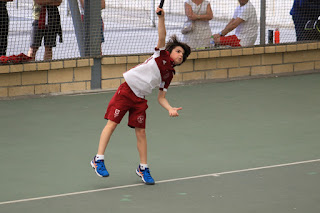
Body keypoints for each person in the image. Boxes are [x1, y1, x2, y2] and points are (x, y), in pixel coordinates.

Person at [90, 6, 191, 185]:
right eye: (178, 51)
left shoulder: (169, 75)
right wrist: (161, 18)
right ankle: (98, 159)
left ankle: (143, 168)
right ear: (170, 51)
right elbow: (161, 35)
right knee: (112, 125)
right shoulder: (160, 55)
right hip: (126, 91)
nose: (180, 55)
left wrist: (170, 108)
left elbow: (161, 97)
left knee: (141, 133)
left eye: (183, 55)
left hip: (140, 99)